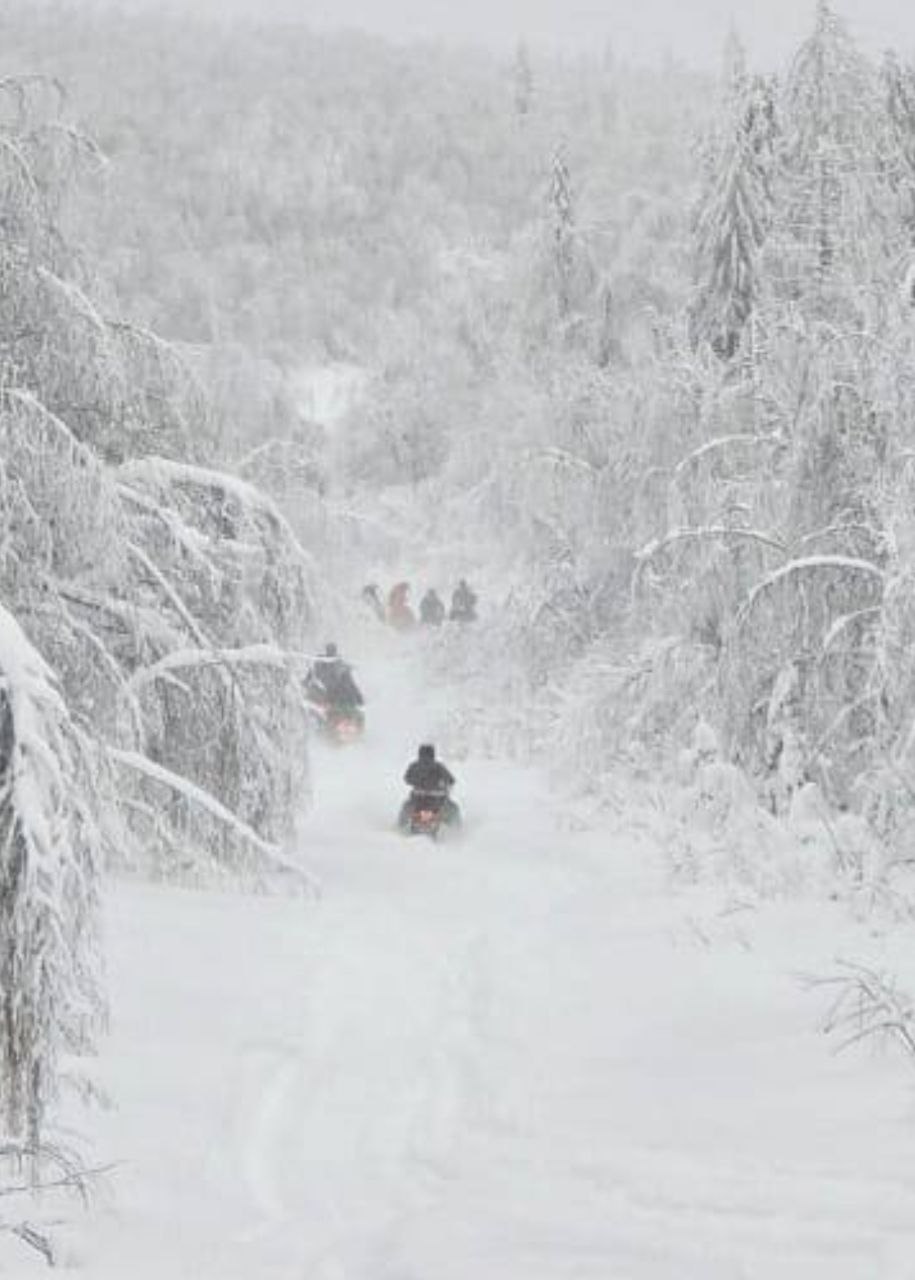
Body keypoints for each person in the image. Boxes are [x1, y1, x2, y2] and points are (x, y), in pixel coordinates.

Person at [399, 743, 459, 829]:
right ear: (433, 753)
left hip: (418, 799)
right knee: (453, 808)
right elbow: (451, 780)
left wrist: (416, 783)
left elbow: (406, 779)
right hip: (437, 800)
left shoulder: (414, 766)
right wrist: (443, 785)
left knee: (406, 807)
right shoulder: (438, 766)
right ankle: (456, 830)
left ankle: (400, 827)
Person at [305, 642, 363, 711]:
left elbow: (311, 675)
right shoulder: (321, 663)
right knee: (345, 684)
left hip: (333, 694)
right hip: (330, 694)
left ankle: (355, 701)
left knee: (346, 683)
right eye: (330, 650)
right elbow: (311, 675)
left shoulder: (335, 663)